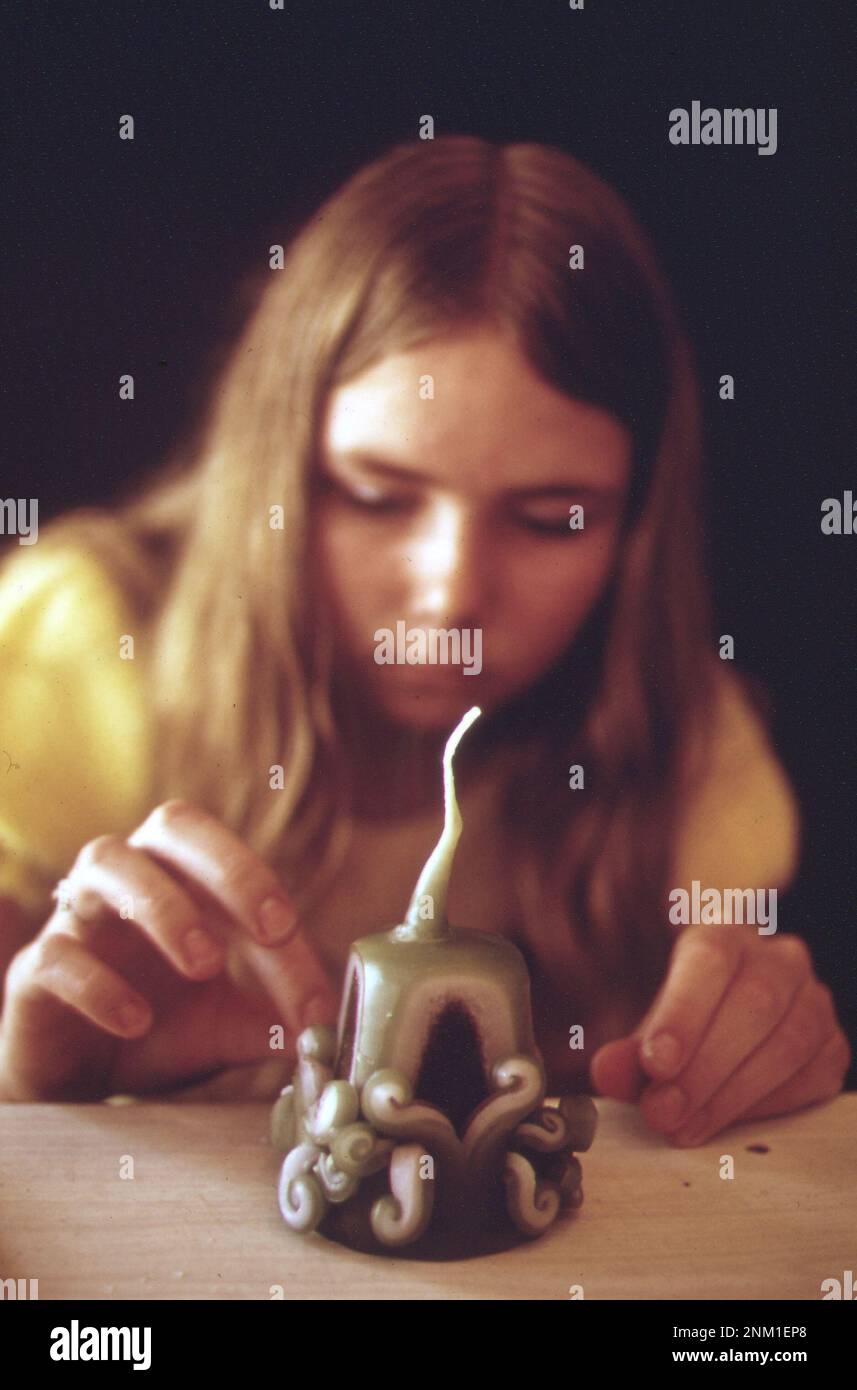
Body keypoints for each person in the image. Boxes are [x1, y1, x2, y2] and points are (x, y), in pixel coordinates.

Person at [0, 136, 849, 1145]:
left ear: (636, 532)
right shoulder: (75, 648)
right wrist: (34, 1085)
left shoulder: (685, 744)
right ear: (274, 469)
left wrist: (763, 1057)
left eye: (549, 519)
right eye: (374, 496)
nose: (450, 594)